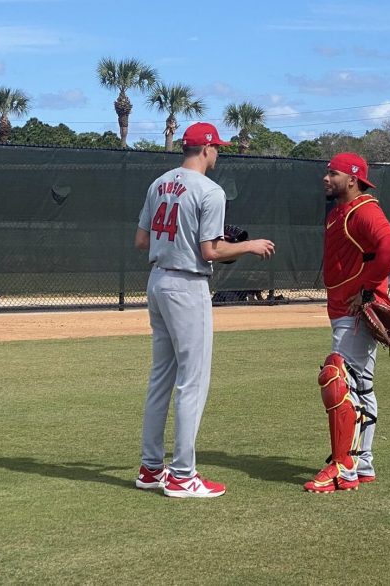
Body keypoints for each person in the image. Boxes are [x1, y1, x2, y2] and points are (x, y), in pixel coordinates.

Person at [133, 122, 275, 499]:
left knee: (160, 378)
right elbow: (210, 252)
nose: (218, 154)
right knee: (192, 382)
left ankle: (151, 469)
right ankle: (182, 475)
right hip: (187, 286)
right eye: (217, 148)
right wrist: (248, 246)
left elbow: (141, 240)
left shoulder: (158, 184)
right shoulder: (210, 191)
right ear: (207, 149)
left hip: (157, 280)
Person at [304, 152, 390, 493]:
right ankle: (362, 463)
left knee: (337, 380)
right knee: (360, 387)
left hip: (356, 314)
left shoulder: (364, 210)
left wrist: (365, 288)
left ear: (352, 178)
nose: (325, 178)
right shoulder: (341, 212)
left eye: (332, 173)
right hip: (345, 312)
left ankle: (343, 467)